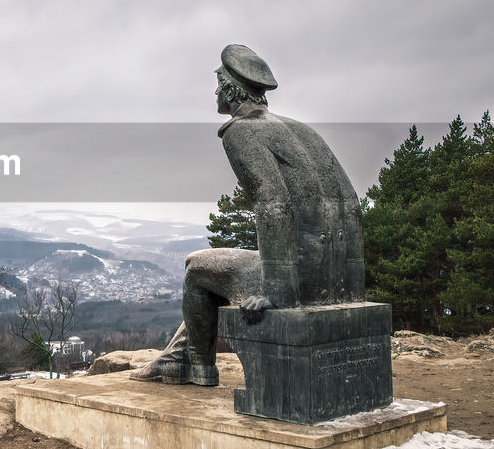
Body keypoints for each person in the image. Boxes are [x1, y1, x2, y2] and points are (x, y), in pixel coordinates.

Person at [130, 44, 364, 386]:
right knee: (221, 271)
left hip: (300, 281)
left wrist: (276, 292)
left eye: (218, 82)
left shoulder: (241, 131)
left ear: (229, 88)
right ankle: (178, 356)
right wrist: (351, 289)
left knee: (197, 268)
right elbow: (351, 205)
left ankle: (195, 368)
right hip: (336, 277)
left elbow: (274, 205)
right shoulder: (302, 130)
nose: (214, 90)